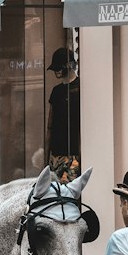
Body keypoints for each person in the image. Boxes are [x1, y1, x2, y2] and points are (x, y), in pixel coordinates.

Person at [46, 47, 81, 176]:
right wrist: (47, 156)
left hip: (74, 153)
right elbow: (50, 126)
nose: (56, 72)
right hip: (56, 153)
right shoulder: (56, 91)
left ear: (68, 65)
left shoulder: (80, 88)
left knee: (70, 191)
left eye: (58, 67)